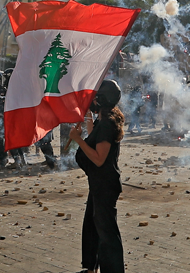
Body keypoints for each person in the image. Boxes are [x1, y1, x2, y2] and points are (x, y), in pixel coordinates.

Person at [70, 80, 125, 273]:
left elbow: (99, 158)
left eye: (94, 97)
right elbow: (97, 140)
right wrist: (89, 125)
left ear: (101, 99)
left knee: (107, 233)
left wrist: (78, 141)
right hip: (98, 184)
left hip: (105, 185)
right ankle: (91, 267)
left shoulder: (108, 124)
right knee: (92, 227)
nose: (91, 100)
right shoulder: (104, 121)